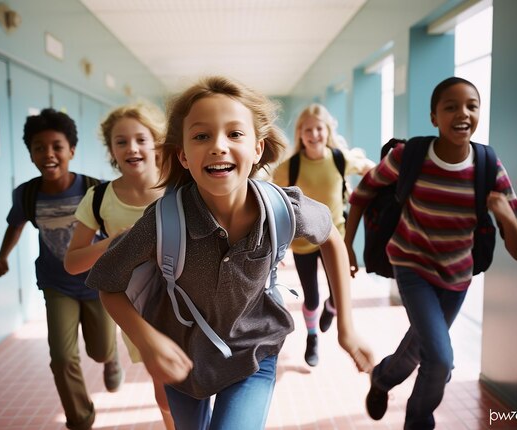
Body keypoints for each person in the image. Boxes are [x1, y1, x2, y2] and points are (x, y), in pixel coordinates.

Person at [86, 76, 374, 430]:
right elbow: (108, 283)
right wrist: (147, 342)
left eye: (235, 134)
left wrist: (346, 326)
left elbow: (330, 237)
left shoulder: (285, 209)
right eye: (201, 136)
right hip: (182, 358)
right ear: (184, 156)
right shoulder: (161, 222)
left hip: (253, 352)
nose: (218, 146)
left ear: (257, 148)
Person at [343, 77, 517, 429]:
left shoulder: (488, 167)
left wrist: (505, 213)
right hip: (411, 266)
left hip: (457, 276)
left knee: (420, 346)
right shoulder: (409, 156)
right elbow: (364, 192)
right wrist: (347, 246)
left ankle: (383, 378)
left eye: (472, 106)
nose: (463, 113)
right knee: (440, 359)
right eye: (451, 106)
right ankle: (419, 421)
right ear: (434, 117)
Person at [0, 108, 123, 430]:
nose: (48, 154)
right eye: (39, 148)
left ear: (71, 151)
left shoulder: (95, 190)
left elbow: (116, 231)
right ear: (31, 154)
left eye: (57, 147)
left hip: (97, 282)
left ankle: (110, 357)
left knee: (99, 350)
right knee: (62, 358)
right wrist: (2, 257)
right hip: (56, 284)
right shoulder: (28, 193)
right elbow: (15, 226)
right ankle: (81, 419)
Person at [63, 102, 174, 429]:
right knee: (166, 390)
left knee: (202, 379)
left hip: (192, 298)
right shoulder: (99, 198)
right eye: (121, 141)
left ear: (156, 142)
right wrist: (111, 244)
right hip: (138, 307)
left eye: (141, 139)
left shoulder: (182, 189)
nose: (132, 148)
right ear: (111, 150)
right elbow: (72, 262)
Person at [272, 103, 374, 367]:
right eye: (308, 130)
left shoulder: (339, 158)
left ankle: (331, 310)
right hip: (303, 242)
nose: (314, 134)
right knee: (312, 297)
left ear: (327, 131)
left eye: (319, 128)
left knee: (338, 298)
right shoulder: (289, 167)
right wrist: (277, 245)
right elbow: (274, 202)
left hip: (335, 240)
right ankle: (312, 335)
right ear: (300, 133)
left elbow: (367, 167)